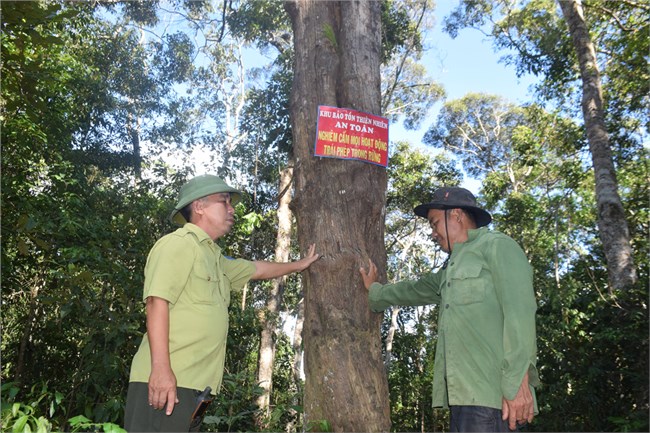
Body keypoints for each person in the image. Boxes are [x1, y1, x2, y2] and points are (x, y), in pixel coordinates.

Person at [124, 174, 319, 432]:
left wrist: (299, 265)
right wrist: (160, 370)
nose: (231, 209)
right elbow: (156, 302)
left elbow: (256, 269)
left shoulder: (216, 259)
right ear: (199, 206)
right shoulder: (177, 244)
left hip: (193, 388)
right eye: (224, 201)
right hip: (166, 380)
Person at [359, 186, 538, 432]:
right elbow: (414, 290)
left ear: (456, 215)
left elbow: (521, 315)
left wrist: (518, 384)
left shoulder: (497, 247)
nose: (433, 233)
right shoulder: (450, 270)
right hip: (462, 400)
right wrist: (375, 292)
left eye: (434, 224)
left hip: (496, 400)